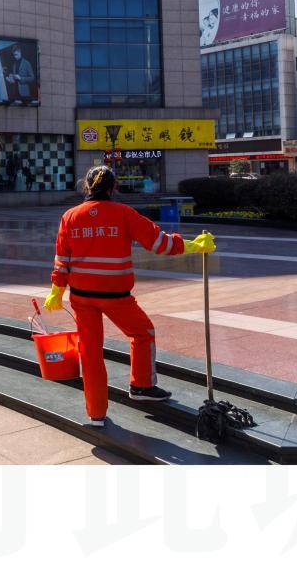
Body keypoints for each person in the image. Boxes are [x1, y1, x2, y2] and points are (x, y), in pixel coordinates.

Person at [44, 165, 215, 427]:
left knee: (90, 353)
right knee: (142, 333)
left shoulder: (70, 216)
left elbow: (61, 260)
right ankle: (142, 386)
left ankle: (96, 414)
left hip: (81, 297)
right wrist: (193, 245)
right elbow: (159, 242)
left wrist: (56, 291)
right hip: (116, 296)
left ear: (86, 187)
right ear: (113, 188)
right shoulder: (124, 213)